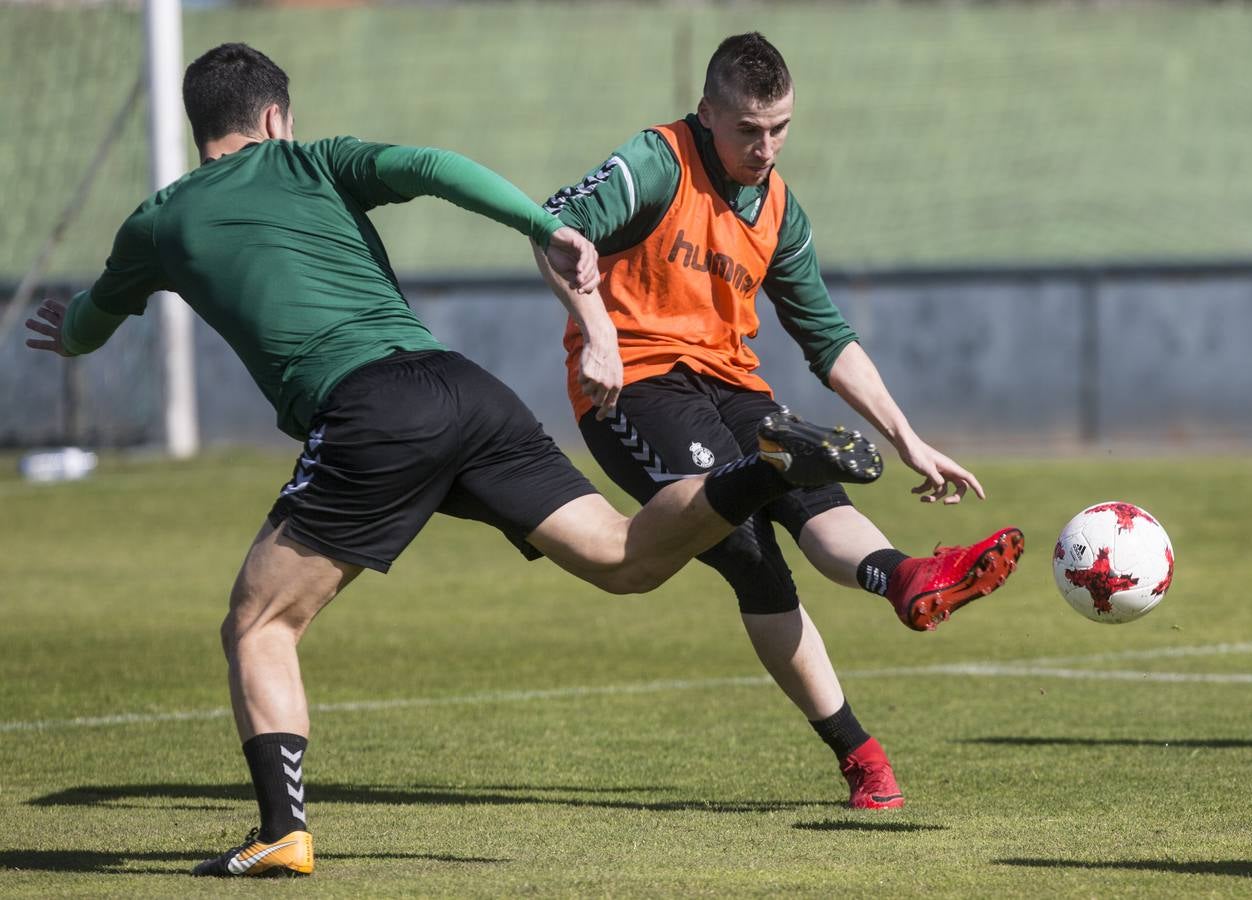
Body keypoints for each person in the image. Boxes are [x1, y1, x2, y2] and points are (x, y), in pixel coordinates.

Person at [24, 43, 887, 878]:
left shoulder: (159, 221)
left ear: (197, 129)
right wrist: (545, 226)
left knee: (259, 623)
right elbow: (434, 165)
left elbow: (91, 321)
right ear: (277, 117)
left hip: (368, 411)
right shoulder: (315, 161)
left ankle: (282, 832)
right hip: (464, 388)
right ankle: (764, 469)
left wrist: (64, 332)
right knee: (623, 559)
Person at [537, 32, 1024, 811]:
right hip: (640, 386)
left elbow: (826, 336)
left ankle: (909, 579)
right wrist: (595, 333)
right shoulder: (655, 161)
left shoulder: (779, 206)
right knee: (749, 550)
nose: (765, 148)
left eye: (780, 128)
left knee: (812, 499)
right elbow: (552, 229)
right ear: (707, 114)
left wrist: (909, 440)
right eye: (747, 131)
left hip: (733, 385)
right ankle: (859, 752)